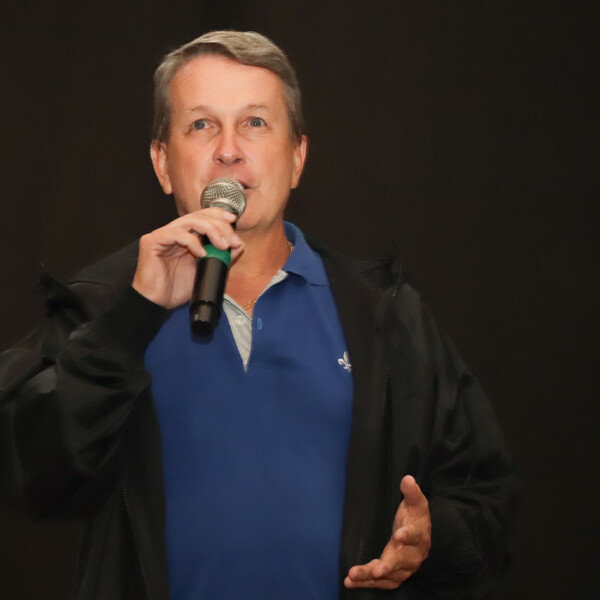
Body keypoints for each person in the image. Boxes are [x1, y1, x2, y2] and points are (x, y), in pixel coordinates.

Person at [0, 31, 518, 599]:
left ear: (297, 158)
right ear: (162, 163)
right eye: (202, 124)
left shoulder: (383, 313)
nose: (228, 149)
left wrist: (432, 538)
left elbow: (487, 499)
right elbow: (32, 474)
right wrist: (132, 319)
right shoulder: (103, 307)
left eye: (254, 122)